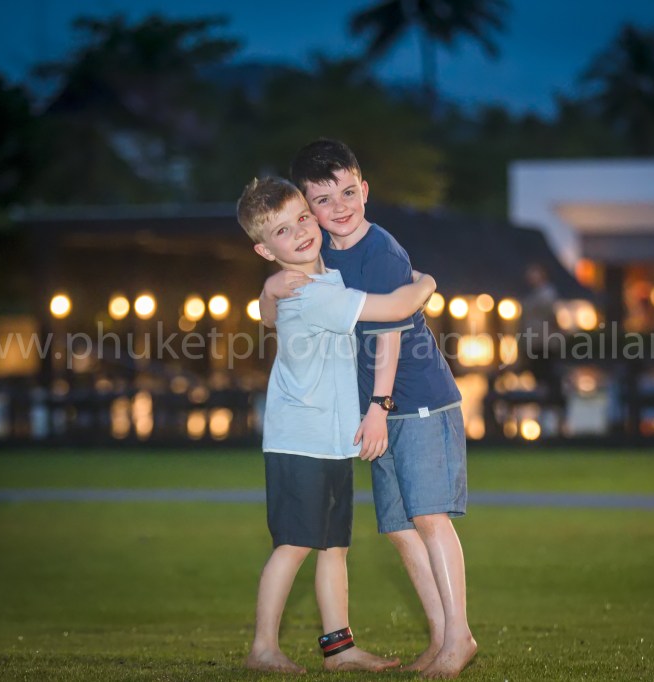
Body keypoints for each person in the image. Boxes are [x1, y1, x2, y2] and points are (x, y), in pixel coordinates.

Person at [260, 140, 477, 678]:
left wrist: (379, 405)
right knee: (401, 527)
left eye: (349, 192)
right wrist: (267, 290)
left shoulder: (380, 250)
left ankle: (460, 637)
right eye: (324, 199)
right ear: (308, 208)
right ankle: (440, 636)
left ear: (365, 189)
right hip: (376, 410)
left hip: (415, 399)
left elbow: (388, 334)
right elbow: (278, 312)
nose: (340, 207)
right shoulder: (322, 253)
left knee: (429, 518)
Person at [237, 176, 437, 674]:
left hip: (329, 439)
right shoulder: (308, 293)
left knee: (333, 546)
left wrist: (266, 294)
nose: (302, 232)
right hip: (299, 440)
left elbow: (267, 315)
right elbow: (393, 308)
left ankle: (339, 648)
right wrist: (426, 284)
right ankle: (263, 647)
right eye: (284, 231)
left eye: (303, 217)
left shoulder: (320, 282)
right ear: (265, 249)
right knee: (294, 545)